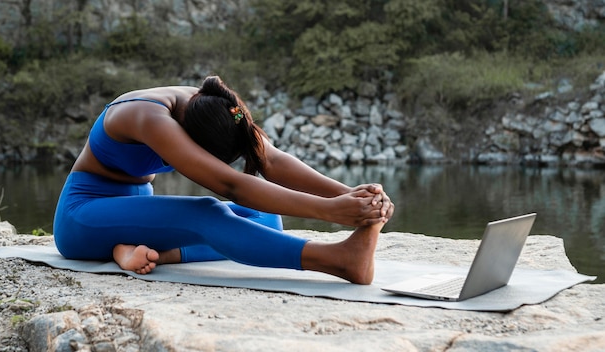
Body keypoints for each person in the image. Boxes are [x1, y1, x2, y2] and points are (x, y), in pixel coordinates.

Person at [53, 76, 394, 285]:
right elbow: (229, 185)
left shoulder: (216, 106)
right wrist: (331, 211)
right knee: (207, 213)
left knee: (267, 220)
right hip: (84, 216)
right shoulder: (147, 116)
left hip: (132, 213)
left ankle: (152, 253)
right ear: (188, 136)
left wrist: (352, 195)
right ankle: (338, 260)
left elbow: (270, 159)